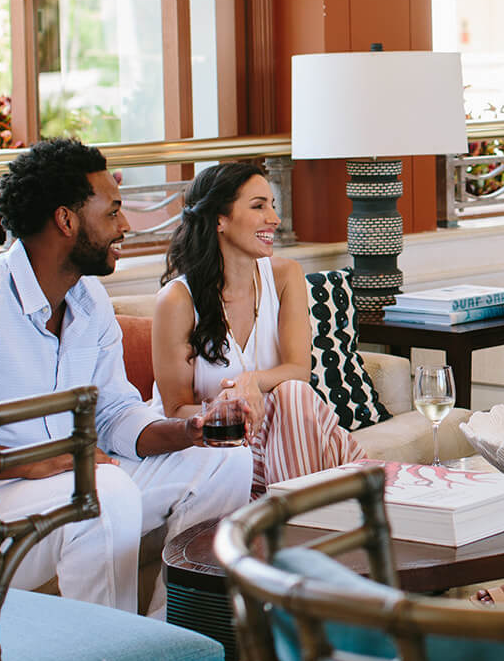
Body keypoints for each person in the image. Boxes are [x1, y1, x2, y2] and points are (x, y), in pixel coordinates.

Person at [0, 139, 251, 616]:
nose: (126, 226)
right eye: (113, 212)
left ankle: (175, 636)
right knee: (98, 489)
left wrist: (187, 431)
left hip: (55, 493)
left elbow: (113, 414)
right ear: (66, 220)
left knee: (224, 460)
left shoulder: (87, 302)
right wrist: (26, 461)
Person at [154, 163, 361, 493]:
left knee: (293, 394)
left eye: (272, 206)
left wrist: (250, 381)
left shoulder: (284, 276)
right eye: (258, 206)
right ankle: (310, 523)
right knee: (298, 407)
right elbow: (175, 410)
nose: (274, 219)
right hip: (220, 447)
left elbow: (299, 371)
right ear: (219, 219)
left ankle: (292, 523)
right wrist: (235, 406)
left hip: (288, 434)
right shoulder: (177, 301)